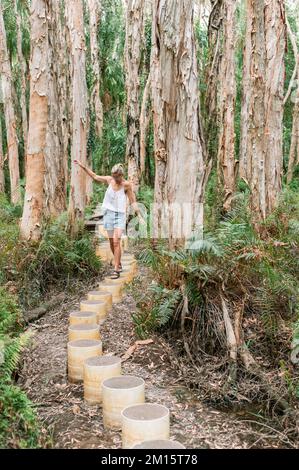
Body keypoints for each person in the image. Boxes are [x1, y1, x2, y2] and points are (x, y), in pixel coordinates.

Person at [74, 161, 143, 279]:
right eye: (114, 176)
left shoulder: (126, 185)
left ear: (121, 175)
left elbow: (133, 201)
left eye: (117, 176)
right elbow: (95, 176)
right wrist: (82, 166)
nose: (115, 179)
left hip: (119, 215)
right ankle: (119, 263)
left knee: (116, 241)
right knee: (111, 241)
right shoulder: (109, 180)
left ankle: (116, 269)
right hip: (108, 214)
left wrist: (139, 216)